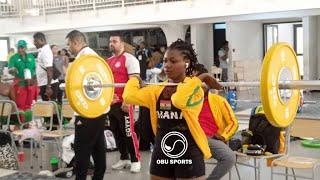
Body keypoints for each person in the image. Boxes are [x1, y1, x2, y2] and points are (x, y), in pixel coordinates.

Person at [123, 39, 213, 179]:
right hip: (161, 150)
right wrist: (134, 79)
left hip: (188, 151)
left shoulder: (196, 89)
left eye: (173, 61)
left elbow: (179, 100)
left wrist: (197, 80)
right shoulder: (157, 90)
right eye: (165, 61)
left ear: (186, 63)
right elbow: (129, 96)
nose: (167, 65)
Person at [66, 30, 107, 180]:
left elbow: (88, 85)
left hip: (87, 113)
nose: (68, 48)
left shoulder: (85, 58)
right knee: (98, 147)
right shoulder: (91, 56)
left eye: (69, 44)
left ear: (76, 42)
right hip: (97, 111)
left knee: (82, 150)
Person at [193, 64, 238, 180]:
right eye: (197, 80)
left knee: (229, 158)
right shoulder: (187, 101)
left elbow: (233, 122)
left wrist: (224, 136)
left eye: (204, 80)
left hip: (211, 138)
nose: (202, 84)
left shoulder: (219, 101)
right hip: (192, 137)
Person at [106, 33, 141, 173]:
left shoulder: (130, 59)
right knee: (116, 132)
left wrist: (127, 101)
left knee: (128, 132)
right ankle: (124, 158)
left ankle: (135, 160)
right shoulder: (108, 61)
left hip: (125, 103)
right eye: (110, 41)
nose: (111, 44)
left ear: (122, 43)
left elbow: (134, 82)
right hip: (112, 103)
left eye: (114, 41)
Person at [8, 40, 38, 111]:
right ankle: (21, 121)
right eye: (18, 48)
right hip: (20, 84)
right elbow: (10, 70)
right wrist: (12, 70)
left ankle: (28, 121)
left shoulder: (31, 57)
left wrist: (35, 79)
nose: (20, 49)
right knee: (20, 104)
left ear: (26, 47)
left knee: (30, 104)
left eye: (22, 47)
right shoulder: (13, 58)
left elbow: (34, 69)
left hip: (31, 84)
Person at [33, 32, 59, 101]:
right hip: (44, 83)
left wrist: (48, 86)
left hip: (48, 84)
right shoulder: (42, 50)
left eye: (35, 41)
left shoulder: (45, 51)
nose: (34, 43)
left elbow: (49, 69)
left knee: (50, 108)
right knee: (48, 108)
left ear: (42, 40)